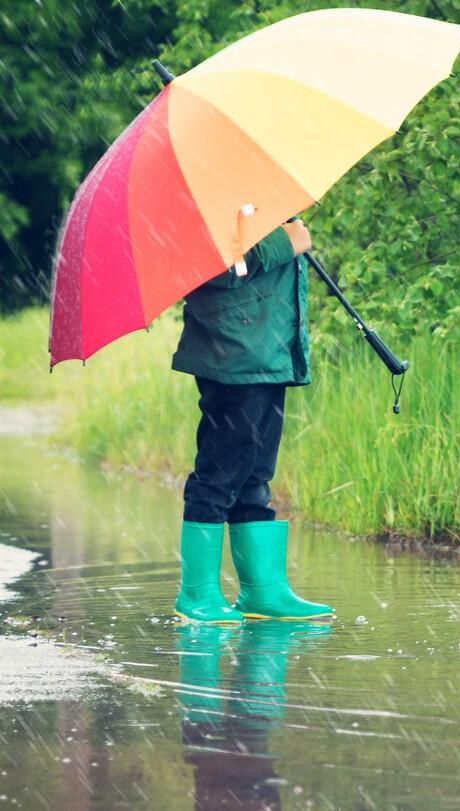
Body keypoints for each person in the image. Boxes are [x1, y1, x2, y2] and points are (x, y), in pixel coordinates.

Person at [170, 219, 333, 623]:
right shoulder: (204, 200)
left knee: (254, 473)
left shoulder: (259, 196)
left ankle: (263, 590)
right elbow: (213, 268)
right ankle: (196, 594)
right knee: (221, 471)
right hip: (232, 354)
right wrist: (285, 243)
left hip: (266, 352)